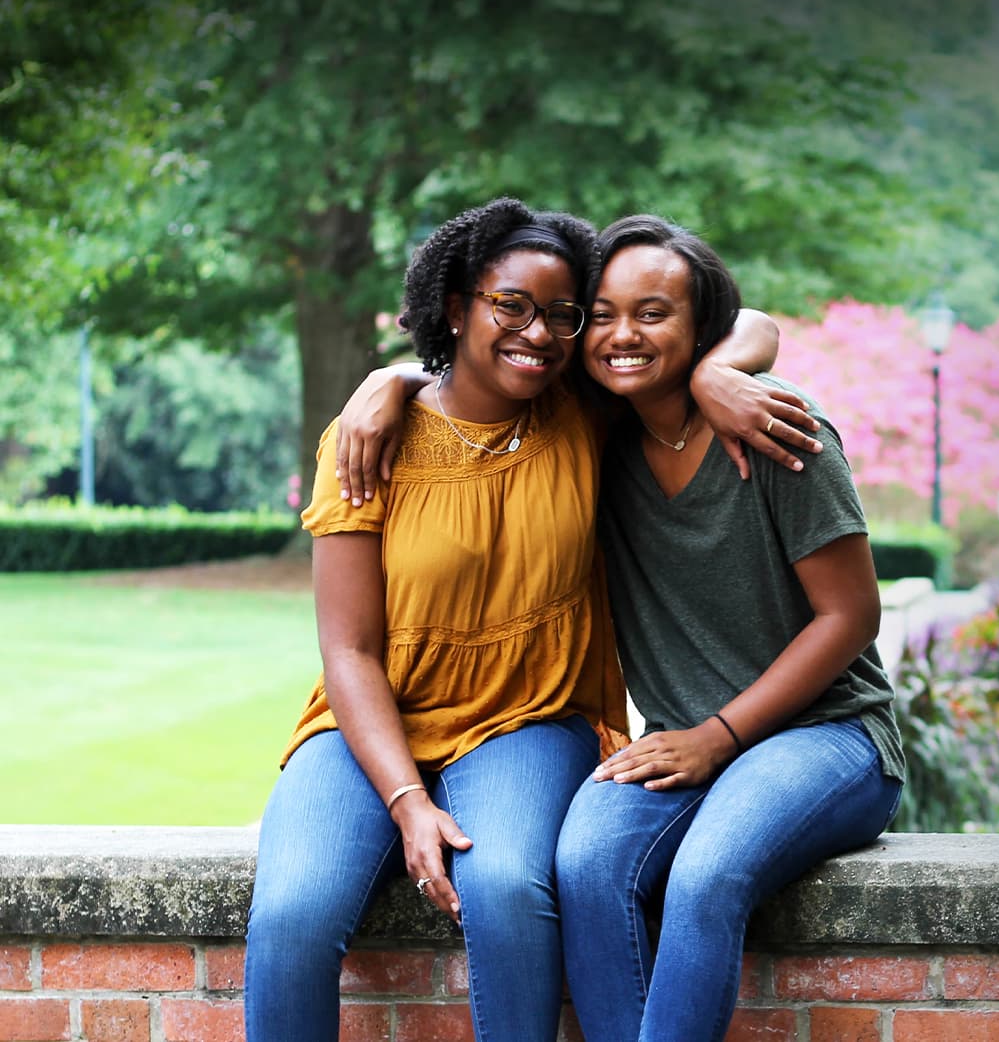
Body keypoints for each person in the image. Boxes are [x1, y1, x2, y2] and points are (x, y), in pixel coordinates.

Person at [243, 197, 808, 1042]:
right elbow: (350, 650)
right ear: (457, 304)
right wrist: (406, 801)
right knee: (292, 912)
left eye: (560, 315)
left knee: (507, 889)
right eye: (511, 305)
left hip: (530, 718)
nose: (538, 333)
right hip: (372, 719)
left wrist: (710, 375)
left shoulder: (584, 410)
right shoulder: (366, 440)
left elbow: (746, 318)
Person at [553, 214, 903, 1042]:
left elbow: (851, 614)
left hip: (829, 735)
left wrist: (720, 735)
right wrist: (380, 387)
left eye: (652, 312)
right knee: (585, 865)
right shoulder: (595, 442)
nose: (621, 335)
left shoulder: (779, 426)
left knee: (707, 874)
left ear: (700, 326)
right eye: (600, 314)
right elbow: (470, 366)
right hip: (685, 746)